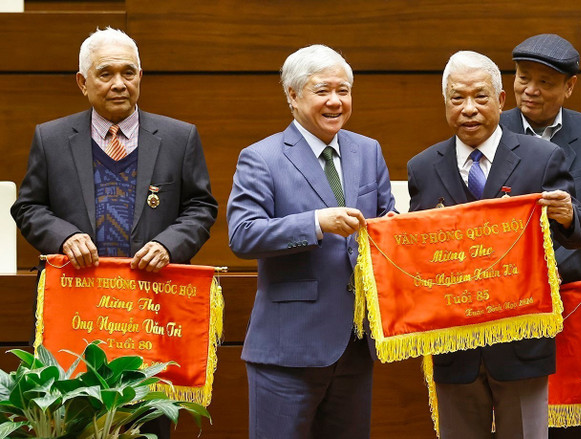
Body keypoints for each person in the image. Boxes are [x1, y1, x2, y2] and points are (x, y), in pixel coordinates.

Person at [11, 26, 219, 438]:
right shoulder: (50, 138)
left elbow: (201, 208)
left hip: (152, 312)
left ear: (141, 76)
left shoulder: (179, 137)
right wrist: (63, 235)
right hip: (77, 312)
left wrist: (168, 244)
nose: (120, 84)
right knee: (76, 421)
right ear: (82, 82)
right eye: (105, 74)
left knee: (149, 424)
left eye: (130, 72)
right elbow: (28, 207)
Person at [407, 50, 581, 439]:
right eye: (457, 98)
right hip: (454, 347)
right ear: (445, 104)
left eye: (480, 97)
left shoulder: (542, 158)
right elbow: (421, 254)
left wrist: (567, 215)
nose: (469, 109)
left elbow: (579, 236)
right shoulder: (423, 167)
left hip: (521, 343)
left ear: (501, 100)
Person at [226, 44, 395, 439]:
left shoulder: (368, 151)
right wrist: (316, 223)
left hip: (355, 346)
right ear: (292, 94)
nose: (335, 101)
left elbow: (386, 223)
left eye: (344, 90)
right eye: (322, 91)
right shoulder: (261, 157)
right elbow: (242, 234)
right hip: (288, 350)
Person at [500, 33, 581, 284]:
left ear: (570, 86)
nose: (531, 90)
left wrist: (552, 269)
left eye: (545, 82)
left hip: (569, 282)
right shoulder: (493, 130)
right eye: (523, 78)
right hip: (504, 279)